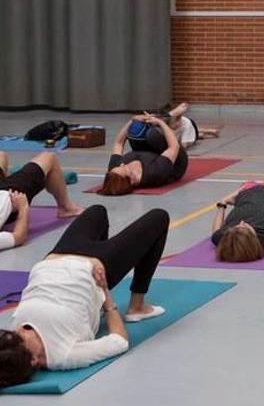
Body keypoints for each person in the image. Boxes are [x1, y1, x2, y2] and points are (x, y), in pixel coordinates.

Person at [0, 205, 169, 388]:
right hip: (94, 268)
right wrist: (105, 293)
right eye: (22, 338)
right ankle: (136, 307)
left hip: (56, 258)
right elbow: (119, 342)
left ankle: (96, 305)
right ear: (34, 360)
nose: (20, 330)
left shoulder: (12, 341)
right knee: (159, 218)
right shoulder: (63, 354)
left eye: (15, 333)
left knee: (97, 212)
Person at [0, 151, 83, 252]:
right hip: (10, 194)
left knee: (1, 155)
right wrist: (23, 208)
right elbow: (18, 237)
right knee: (49, 158)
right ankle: (66, 208)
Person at [98, 115, 188, 196]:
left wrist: (131, 121)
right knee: (152, 134)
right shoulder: (154, 172)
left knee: (135, 128)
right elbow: (174, 146)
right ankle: (167, 118)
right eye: (125, 168)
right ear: (132, 180)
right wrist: (161, 123)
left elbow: (119, 143)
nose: (122, 164)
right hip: (176, 160)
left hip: (149, 154)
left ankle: (163, 116)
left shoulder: (115, 170)